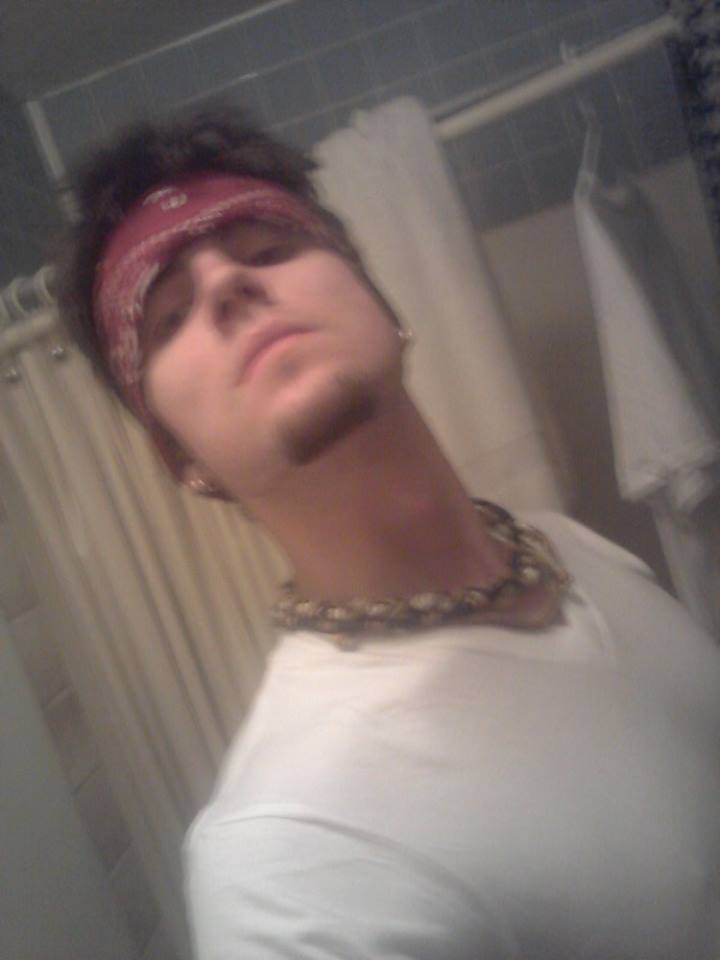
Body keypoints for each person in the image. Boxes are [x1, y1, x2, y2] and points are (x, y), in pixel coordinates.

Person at [58, 109, 720, 960]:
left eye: (267, 249)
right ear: (178, 455)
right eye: (170, 314)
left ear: (382, 302)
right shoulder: (291, 864)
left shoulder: (578, 552)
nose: (226, 283)